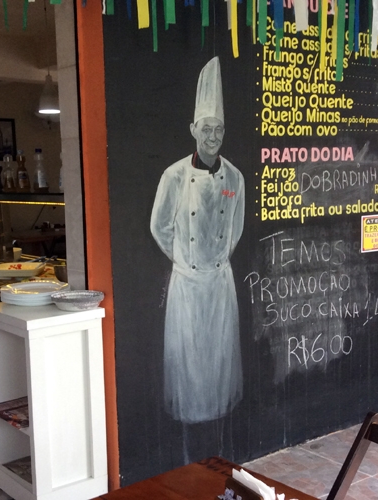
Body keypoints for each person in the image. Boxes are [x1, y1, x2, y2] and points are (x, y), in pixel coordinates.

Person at [150, 56, 245, 424]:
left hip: (220, 282)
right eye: (206, 129)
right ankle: (190, 425)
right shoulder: (173, 175)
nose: (213, 137)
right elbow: (160, 227)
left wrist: (216, 258)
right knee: (188, 359)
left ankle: (220, 419)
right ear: (193, 129)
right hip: (187, 285)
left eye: (218, 129)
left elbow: (235, 228)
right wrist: (185, 259)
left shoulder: (235, 178)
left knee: (220, 357)